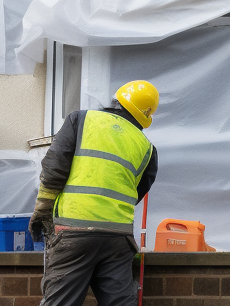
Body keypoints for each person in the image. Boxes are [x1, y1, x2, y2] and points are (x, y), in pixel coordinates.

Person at [29, 80, 160, 306]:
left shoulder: (80, 120)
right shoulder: (148, 149)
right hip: (118, 237)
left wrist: (42, 211)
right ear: (146, 116)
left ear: (116, 101)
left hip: (74, 231)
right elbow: (135, 193)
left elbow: (53, 171)